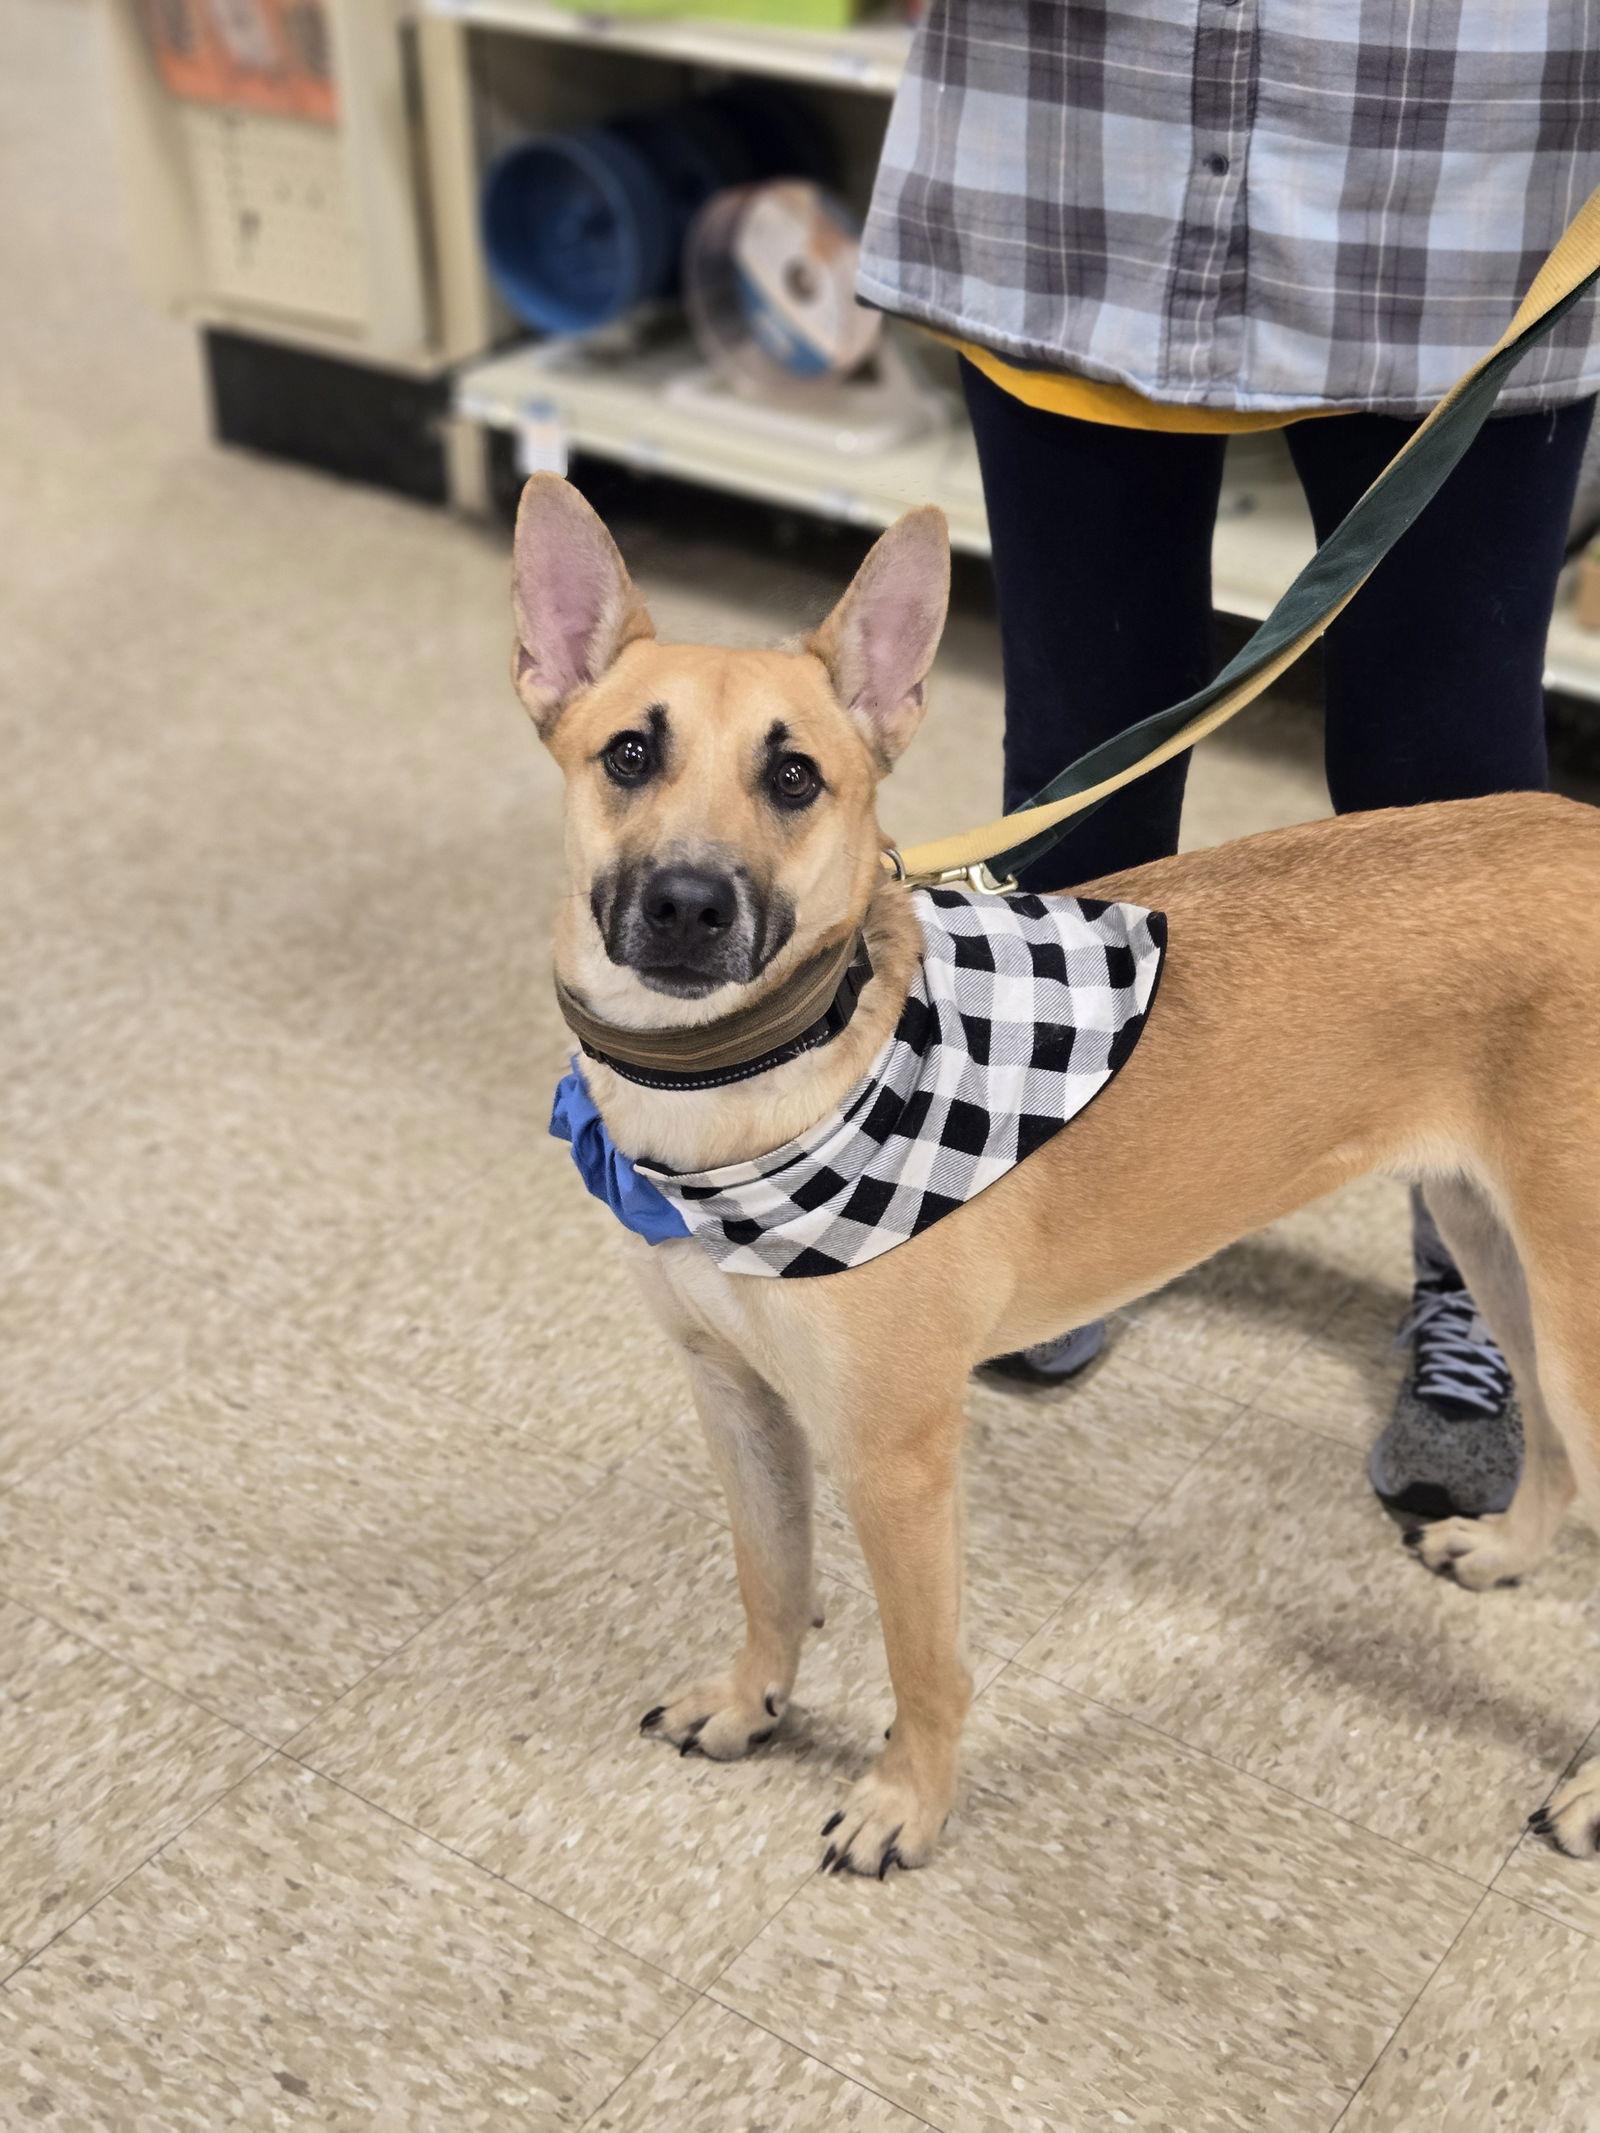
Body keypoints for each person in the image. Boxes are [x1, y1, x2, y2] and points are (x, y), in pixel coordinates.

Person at [857, 2, 1600, 1520]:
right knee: (1082, 751)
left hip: (1464, 149)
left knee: (1447, 786)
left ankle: (1495, 1265)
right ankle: (1057, 1207)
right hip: (1083, 134)